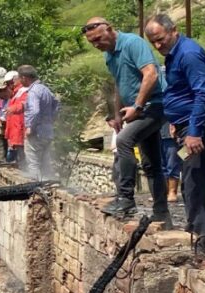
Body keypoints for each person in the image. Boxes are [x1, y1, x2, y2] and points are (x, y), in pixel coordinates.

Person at [145, 13, 205, 254]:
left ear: (173, 30)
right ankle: (196, 235)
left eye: (161, 39)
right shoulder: (174, 55)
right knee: (190, 181)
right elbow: (181, 92)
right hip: (184, 125)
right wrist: (176, 122)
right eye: (154, 42)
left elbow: (202, 94)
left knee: (197, 183)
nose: (159, 46)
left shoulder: (188, 54)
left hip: (197, 127)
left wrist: (194, 131)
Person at [83, 17, 168, 222]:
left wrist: (137, 106)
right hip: (138, 109)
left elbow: (151, 74)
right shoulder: (109, 56)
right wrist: (117, 113)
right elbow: (119, 83)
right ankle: (161, 214)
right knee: (151, 164)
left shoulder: (132, 43)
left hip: (154, 105)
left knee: (123, 141)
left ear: (110, 29)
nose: (96, 45)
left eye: (99, 39)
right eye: (92, 42)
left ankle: (126, 198)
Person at [18, 65, 59, 181]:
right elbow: (56, 104)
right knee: (45, 161)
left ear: (24, 78)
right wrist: (51, 120)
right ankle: (49, 185)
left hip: (37, 132)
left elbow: (35, 111)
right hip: (47, 131)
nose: (20, 82)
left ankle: (34, 187)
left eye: (20, 79)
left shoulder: (33, 92)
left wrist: (30, 126)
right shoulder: (45, 89)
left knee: (33, 161)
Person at [3, 72, 28, 166]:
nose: (10, 85)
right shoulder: (15, 93)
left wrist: (13, 108)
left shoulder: (24, 91)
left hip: (19, 129)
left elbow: (24, 104)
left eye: (10, 82)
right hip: (14, 130)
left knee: (22, 156)